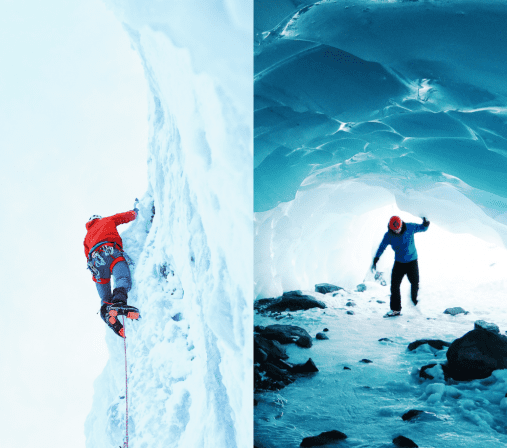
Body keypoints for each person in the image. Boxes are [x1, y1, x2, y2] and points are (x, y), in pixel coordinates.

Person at [84, 206, 140, 337]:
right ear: (99, 218)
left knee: (105, 297)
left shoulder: (86, 238)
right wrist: (136, 212)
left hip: (96, 263)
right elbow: (124, 217)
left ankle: (106, 311)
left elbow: (87, 256)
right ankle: (119, 303)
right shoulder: (107, 220)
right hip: (111, 253)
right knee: (122, 279)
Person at [372, 216, 430, 317]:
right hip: (399, 263)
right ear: (390, 228)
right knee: (394, 286)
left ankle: (415, 302)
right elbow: (382, 246)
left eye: (398, 229)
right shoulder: (389, 235)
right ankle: (395, 309)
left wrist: (425, 224)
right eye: (394, 230)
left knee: (415, 282)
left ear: (401, 225)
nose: (397, 231)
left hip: (412, 261)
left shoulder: (410, 227)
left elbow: (422, 228)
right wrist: (377, 257)